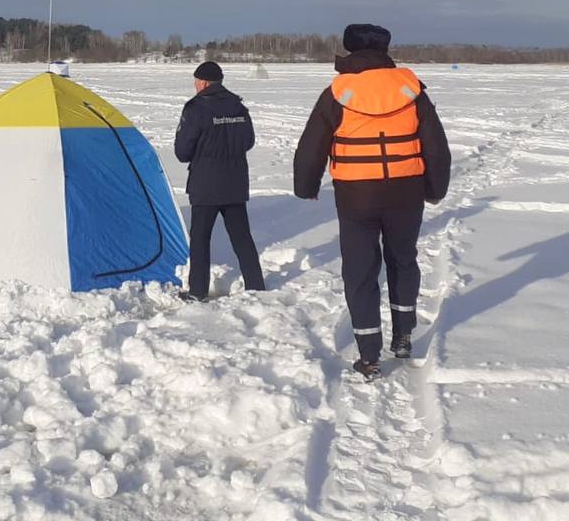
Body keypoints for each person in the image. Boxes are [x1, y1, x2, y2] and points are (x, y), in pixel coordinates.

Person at [293, 24, 451, 380]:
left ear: (350, 51)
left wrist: (306, 185)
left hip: (356, 196)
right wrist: (435, 188)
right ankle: (404, 336)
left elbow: (311, 146)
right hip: (406, 193)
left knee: (361, 271)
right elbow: (436, 148)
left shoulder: (337, 92)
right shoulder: (412, 89)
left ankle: (368, 355)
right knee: (403, 261)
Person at [174, 60, 266, 300]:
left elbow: (182, 151)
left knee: (201, 240)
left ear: (203, 82)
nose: (195, 86)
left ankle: (197, 292)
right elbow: (248, 141)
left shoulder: (195, 108)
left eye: (196, 82)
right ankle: (256, 286)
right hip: (235, 183)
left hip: (206, 186)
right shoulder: (238, 106)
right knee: (242, 237)